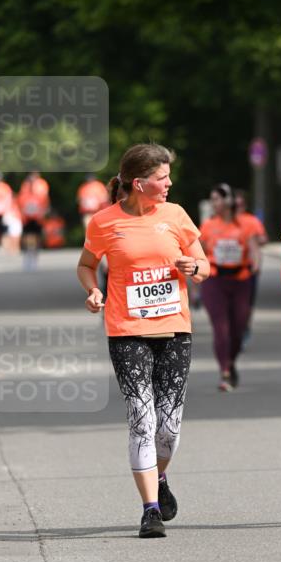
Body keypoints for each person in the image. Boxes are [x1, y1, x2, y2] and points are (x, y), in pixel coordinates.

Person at [77, 143, 209, 539]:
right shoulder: (104, 222)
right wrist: (93, 290)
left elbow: (204, 265)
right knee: (141, 417)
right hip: (127, 331)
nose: (169, 184)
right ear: (139, 183)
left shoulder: (176, 215)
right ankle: (150, 509)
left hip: (174, 331)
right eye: (162, 178)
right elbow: (87, 265)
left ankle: (159, 476)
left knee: (168, 428)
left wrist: (193, 266)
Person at [200, 184, 260, 391]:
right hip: (214, 280)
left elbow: (254, 248)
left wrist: (255, 264)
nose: (214, 203)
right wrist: (194, 285)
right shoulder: (208, 226)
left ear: (229, 201)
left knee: (238, 329)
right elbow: (198, 254)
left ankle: (231, 361)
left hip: (240, 279)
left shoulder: (245, 224)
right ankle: (225, 371)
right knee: (221, 328)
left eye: (218, 198)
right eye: (212, 199)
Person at [234, 188, 268, 347]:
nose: (238, 208)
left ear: (245, 205)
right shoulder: (223, 220)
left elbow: (263, 239)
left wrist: (253, 239)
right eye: (235, 205)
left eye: (241, 205)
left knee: (247, 303)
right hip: (227, 269)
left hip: (248, 268)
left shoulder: (252, 221)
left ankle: (244, 327)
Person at [18, 171, 50, 270]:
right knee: (27, 236)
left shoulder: (42, 188)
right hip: (27, 217)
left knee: (36, 236)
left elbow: (45, 203)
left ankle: (34, 255)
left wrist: (43, 213)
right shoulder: (24, 189)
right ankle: (28, 255)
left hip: (37, 217)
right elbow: (20, 203)